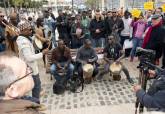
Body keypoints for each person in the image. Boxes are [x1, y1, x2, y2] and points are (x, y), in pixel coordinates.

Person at [16, 21, 48, 101]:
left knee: (37, 86)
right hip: (30, 69)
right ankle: (35, 104)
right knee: (36, 87)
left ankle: (35, 103)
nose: (31, 31)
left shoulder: (25, 39)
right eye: (29, 29)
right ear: (23, 31)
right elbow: (29, 57)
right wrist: (42, 53)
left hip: (31, 68)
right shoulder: (23, 42)